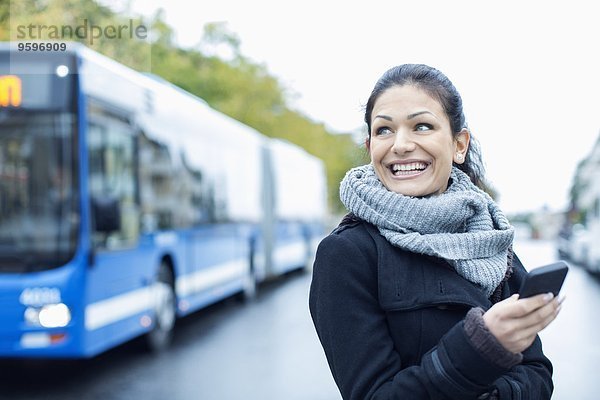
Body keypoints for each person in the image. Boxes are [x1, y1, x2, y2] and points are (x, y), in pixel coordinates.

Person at [309, 64, 563, 399]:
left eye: (422, 126)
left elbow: (537, 372)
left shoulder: (489, 239)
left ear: (459, 145)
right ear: (371, 147)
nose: (400, 144)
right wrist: (483, 345)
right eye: (384, 131)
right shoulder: (347, 254)